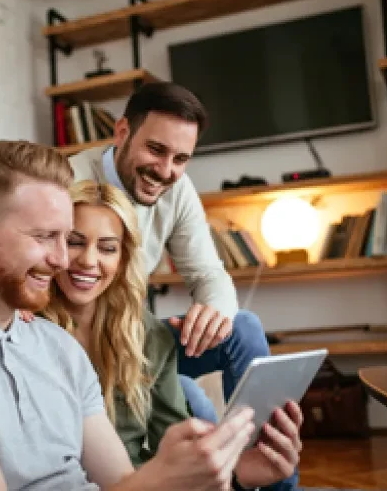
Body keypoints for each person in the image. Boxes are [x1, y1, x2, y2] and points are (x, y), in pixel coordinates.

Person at [0, 140, 257, 491]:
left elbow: (121, 482)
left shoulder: (57, 347)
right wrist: (161, 480)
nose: (63, 260)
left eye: (63, 238)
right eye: (44, 237)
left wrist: (242, 474)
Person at [43, 179, 302, 490]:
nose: (88, 260)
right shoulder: (27, 329)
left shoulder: (146, 334)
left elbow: (178, 457)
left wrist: (236, 474)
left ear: (123, 258)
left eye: (107, 248)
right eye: (74, 242)